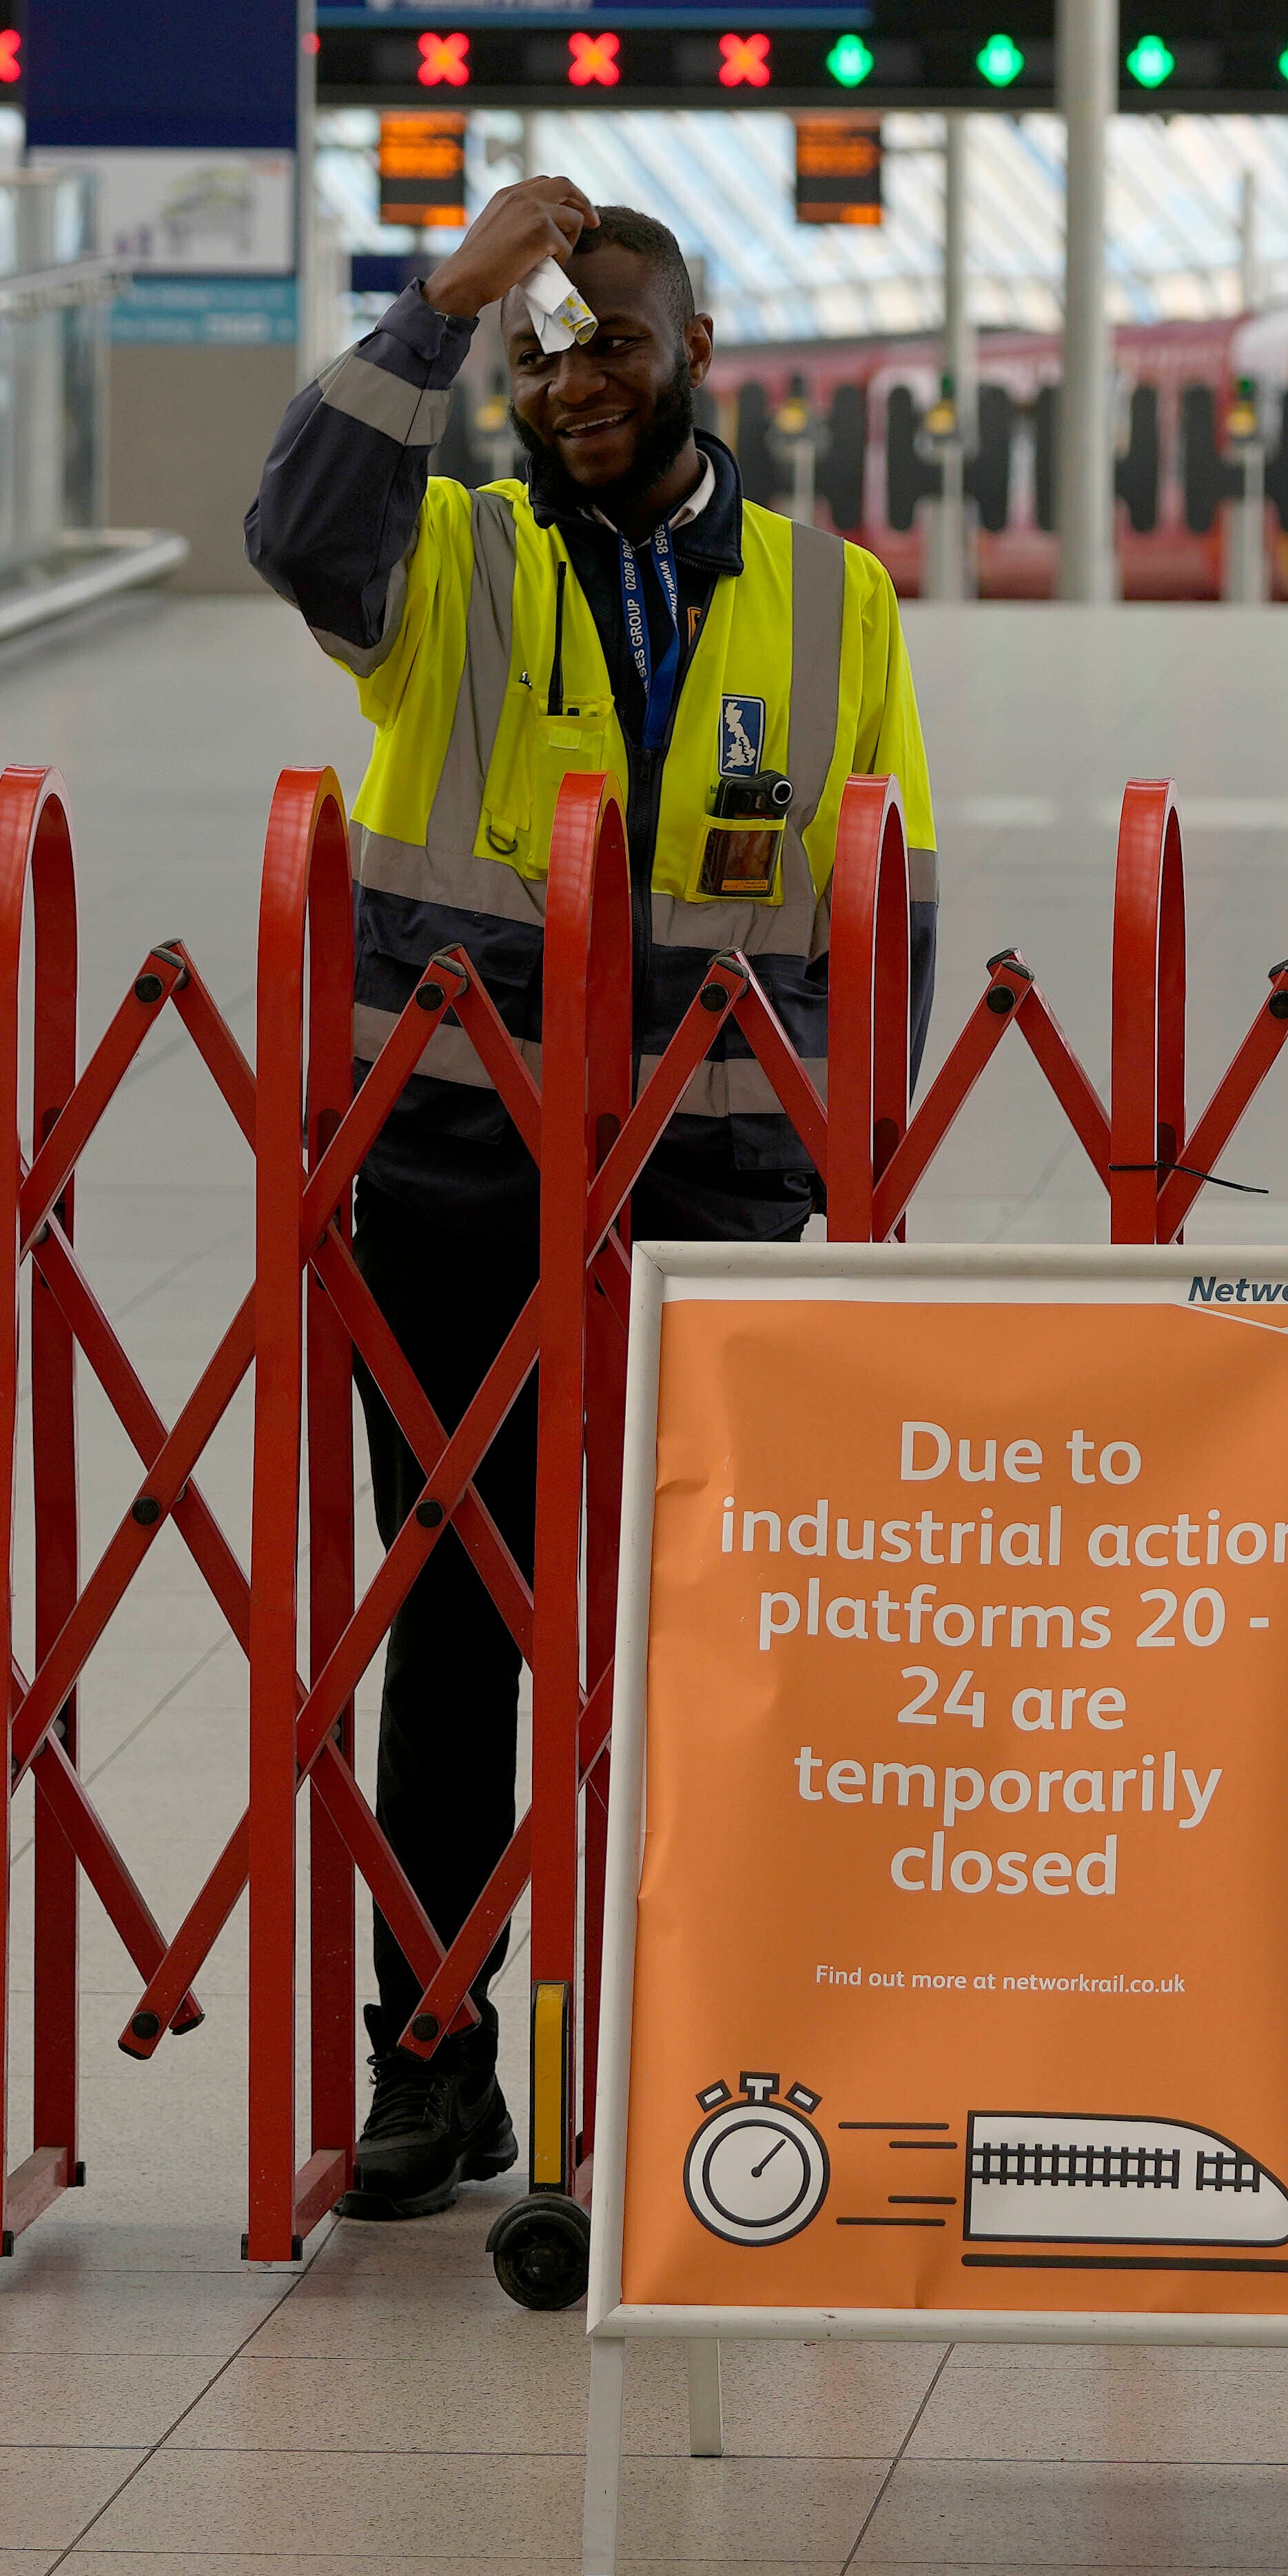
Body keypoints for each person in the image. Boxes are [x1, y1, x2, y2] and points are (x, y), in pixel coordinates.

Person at [248, 174, 939, 2218]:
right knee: (456, 1611)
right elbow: (296, 529)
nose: (577, 383)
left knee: (710, 1626)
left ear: (696, 345)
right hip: (456, 1178)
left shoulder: (833, 599)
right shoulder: (447, 560)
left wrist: (841, 1170)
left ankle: (693, 2046)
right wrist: (443, 297)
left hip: (711, 1199)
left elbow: (885, 894)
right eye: (543, 350)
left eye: (613, 339)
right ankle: (434, 2050)